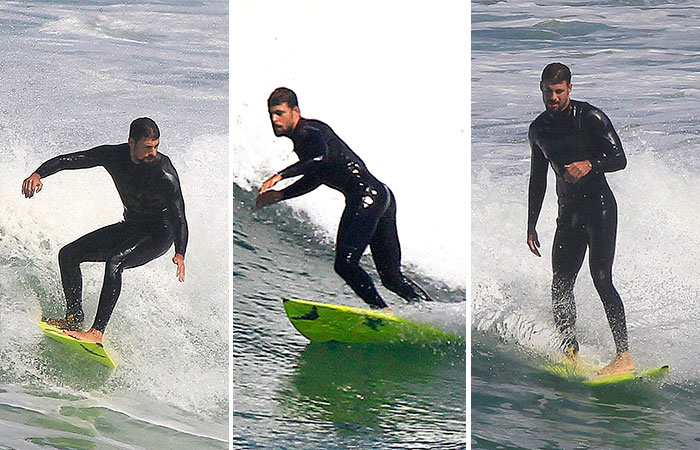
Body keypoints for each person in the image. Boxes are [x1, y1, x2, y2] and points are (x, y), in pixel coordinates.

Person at [256, 87, 432, 309]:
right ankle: (435, 314)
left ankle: (382, 311)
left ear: (295, 111)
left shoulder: (309, 131)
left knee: (345, 264)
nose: (274, 119)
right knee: (391, 278)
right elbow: (317, 175)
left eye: (280, 113)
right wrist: (281, 194)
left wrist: (280, 176)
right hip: (380, 196)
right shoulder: (305, 139)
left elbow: (320, 159)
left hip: (366, 197)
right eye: (271, 114)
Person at [21, 117, 188, 344]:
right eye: (148, 147)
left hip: (160, 233)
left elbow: (179, 216)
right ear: (131, 142)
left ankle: (96, 333)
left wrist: (180, 252)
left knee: (115, 261)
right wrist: (38, 174)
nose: (153, 152)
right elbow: (71, 159)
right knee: (69, 255)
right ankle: (73, 319)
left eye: (156, 146)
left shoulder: (164, 173)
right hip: (132, 226)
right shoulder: (114, 156)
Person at [527, 63, 632, 375]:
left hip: (599, 208)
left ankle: (624, 355)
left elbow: (619, 159)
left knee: (601, 278)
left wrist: (589, 163)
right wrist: (531, 223)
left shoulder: (591, 117)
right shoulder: (538, 129)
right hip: (567, 213)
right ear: (541, 89)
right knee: (560, 284)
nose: (554, 97)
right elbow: (537, 179)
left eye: (559, 91)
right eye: (549, 91)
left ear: (570, 89)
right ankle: (569, 350)